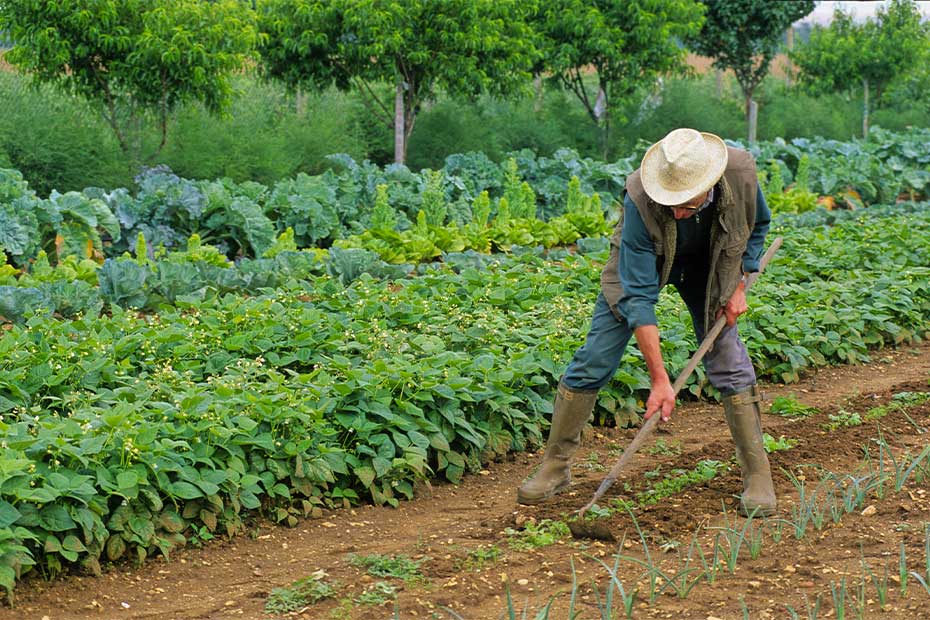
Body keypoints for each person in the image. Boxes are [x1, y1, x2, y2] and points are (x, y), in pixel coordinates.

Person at [517, 128, 775, 516]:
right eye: (669, 203)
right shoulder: (641, 197)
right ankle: (555, 467)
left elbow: (758, 227)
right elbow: (637, 298)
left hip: (712, 263)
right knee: (595, 357)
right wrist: (659, 380)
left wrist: (742, 280)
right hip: (647, 260)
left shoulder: (739, 173)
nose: (676, 212)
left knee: (727, 360)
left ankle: (758, 475)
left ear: (708, 186)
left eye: (686, 205)